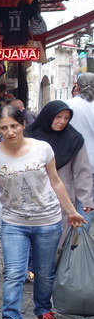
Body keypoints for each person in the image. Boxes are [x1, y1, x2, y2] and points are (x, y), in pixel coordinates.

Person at [0, 106, 86, 319]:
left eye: (14, 126)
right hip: (14, 222)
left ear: (23, 124)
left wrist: (71, 211)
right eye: (4, 128)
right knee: (14, 273)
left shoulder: (42, 148)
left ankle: (43, 309)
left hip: (48, 220)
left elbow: (56, 183)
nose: (10, 132)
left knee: (44, 273)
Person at [26, 100, 93, 243]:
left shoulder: (74, 140)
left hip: (61, 200)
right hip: (29, 198)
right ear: (48, 116)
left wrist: (86, 199)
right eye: (58, 117)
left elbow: (82, 172)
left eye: (66, 118)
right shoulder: (28, 136)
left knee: (55, 244)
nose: (62, 121)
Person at [66, 72, 94, 230]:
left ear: (77, 85)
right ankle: (79, 244)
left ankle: (65, 241)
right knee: (87, 204)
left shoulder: (67, 105)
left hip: (70, 161)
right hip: (92, 163)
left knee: (66, 201)